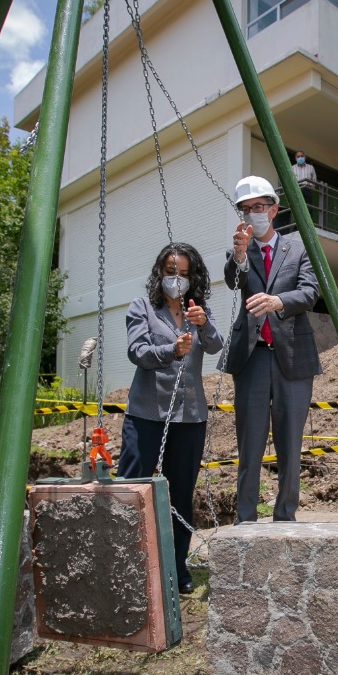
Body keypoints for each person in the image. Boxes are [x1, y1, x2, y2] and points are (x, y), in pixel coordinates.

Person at [118, 243, 223, 594]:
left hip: (188, 416)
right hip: (147, 413)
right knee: (131, 489)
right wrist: (170, 350)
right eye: (169, 271)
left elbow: (216, 345)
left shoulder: (198, 311)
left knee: (181, 495)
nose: (175, 278)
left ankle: (178, 570)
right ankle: (126, 567)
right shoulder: (143, 308)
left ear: (193, 277)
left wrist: (204, 323)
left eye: (182, 272)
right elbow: (138, 352)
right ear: (160, 274)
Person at [224, 175, 321, 523]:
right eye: (246, 209)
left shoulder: (298, 248)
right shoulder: (240, 251)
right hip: (251, 358)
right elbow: (233, 281)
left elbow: (311, 292)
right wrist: (238, 255)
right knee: (249, 443)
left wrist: (279, 300)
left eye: (259, 207)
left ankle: (285, 516)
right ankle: (245, 517)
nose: (254, 214)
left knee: (290, 444)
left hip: (293, 358)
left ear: (274, 209)